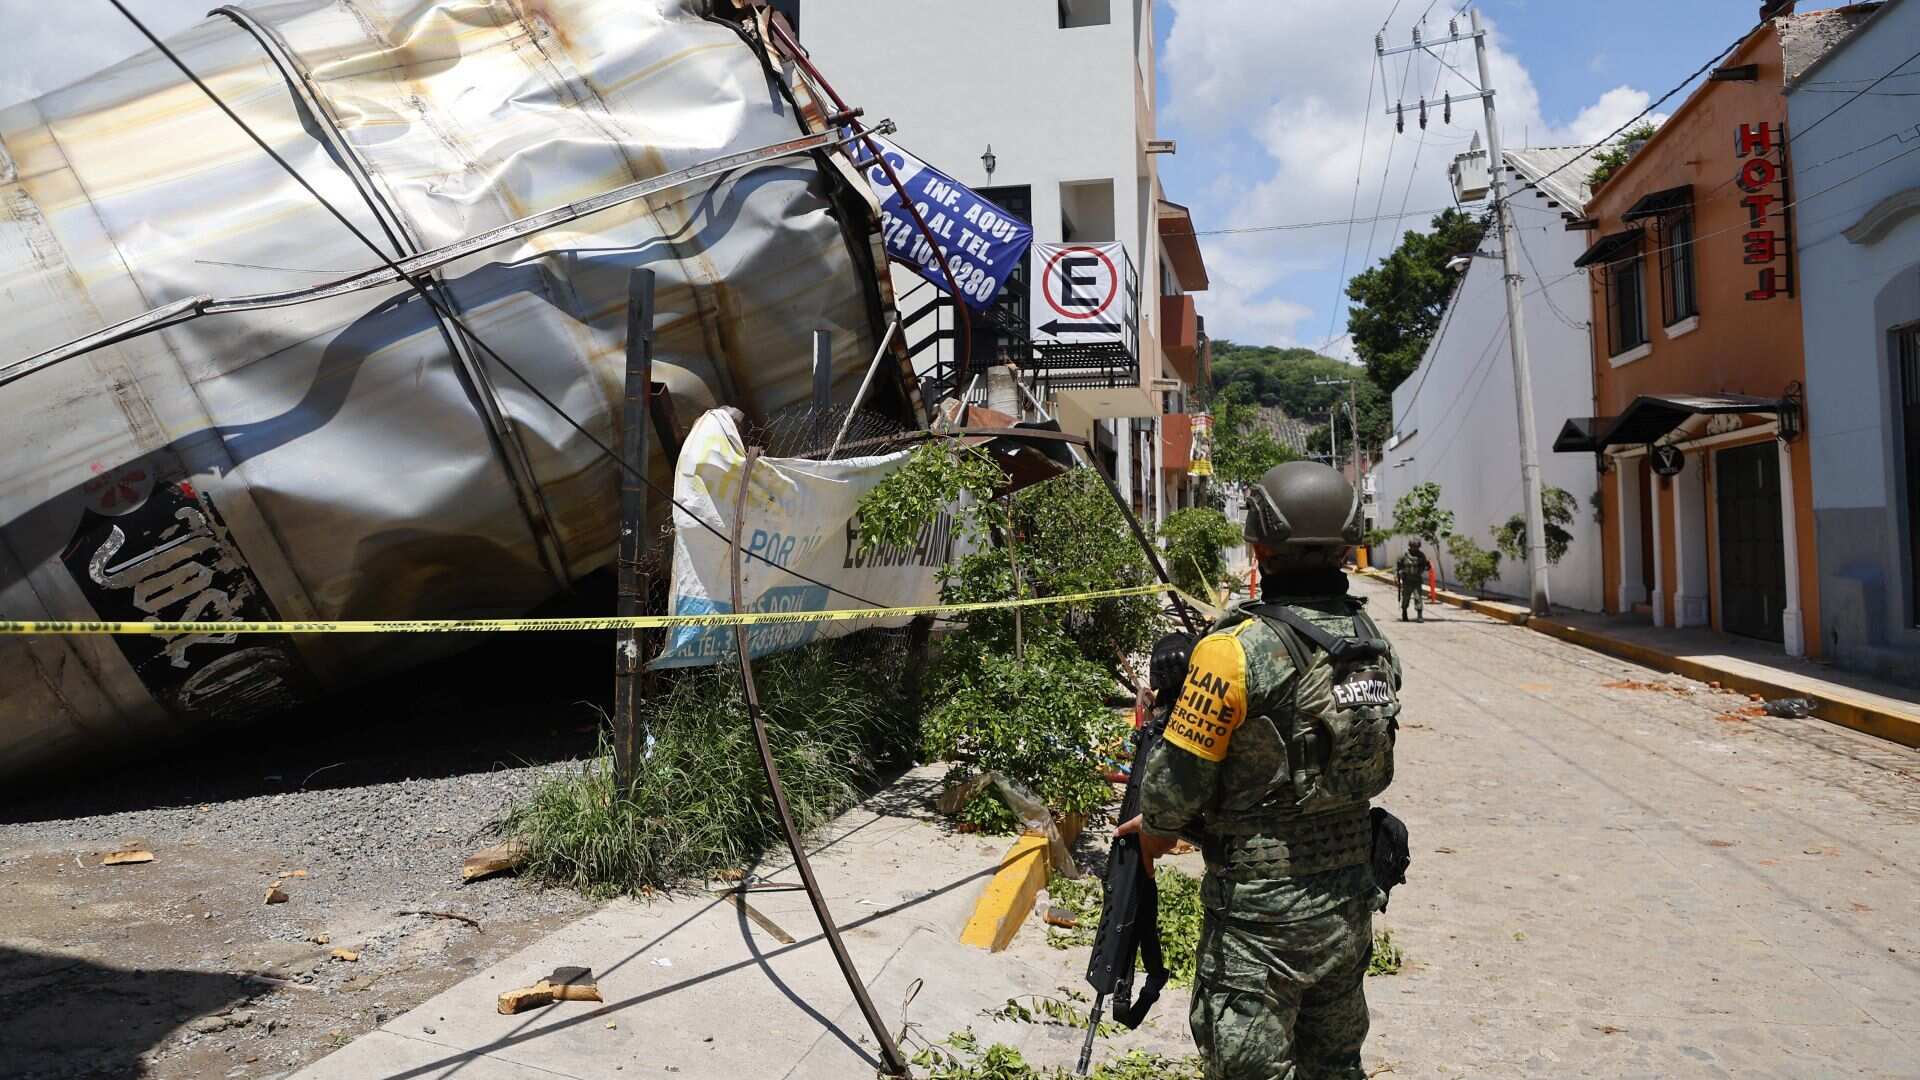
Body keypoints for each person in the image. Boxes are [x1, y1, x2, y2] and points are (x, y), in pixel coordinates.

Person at [1118, 461, 1403, 1080]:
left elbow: (1176, 783)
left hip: (1258, 918)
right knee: (1334, 1065)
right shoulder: (1368, 637)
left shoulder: (1233, 649)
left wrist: (1156, 830)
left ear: (1259, 545)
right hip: (1348, 899)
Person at [1395, 539, 1431, 622]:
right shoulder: (1404, 556)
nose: (1415, 548)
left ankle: (1419, 615)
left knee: (1418, 597)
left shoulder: (1421, 556)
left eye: (1417, 547)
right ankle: (1404, 612)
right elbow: (1397, 567)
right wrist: (1397, 575)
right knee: (1406, 598)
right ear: (1410, 546)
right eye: (1413, 546)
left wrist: (1428, 565)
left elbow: (1426, 567)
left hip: (1417, 580)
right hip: (1407, 580)